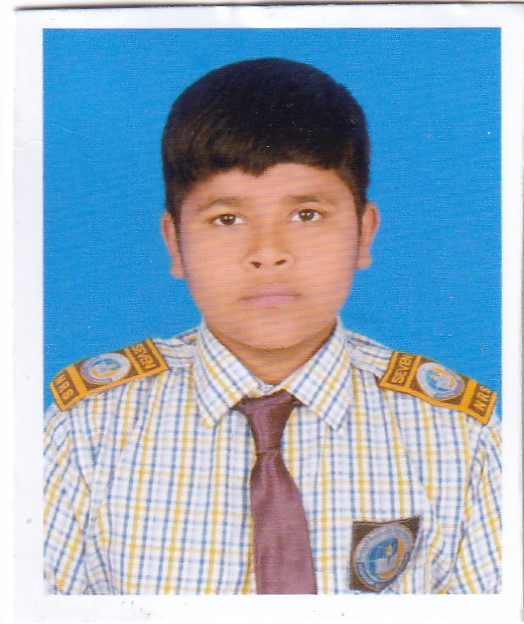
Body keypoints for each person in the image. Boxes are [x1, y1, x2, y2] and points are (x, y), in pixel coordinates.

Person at [44, 58, 501, 595]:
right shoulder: (87, 433)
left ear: (363, 233)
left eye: (306, 214)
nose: (268, 252)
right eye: (227, 219)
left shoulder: (458, 438)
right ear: (175, 243)